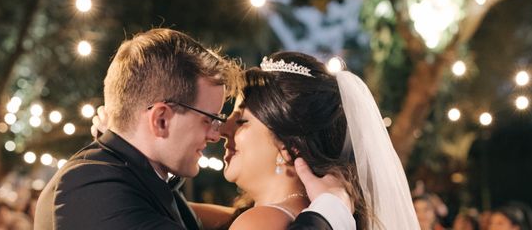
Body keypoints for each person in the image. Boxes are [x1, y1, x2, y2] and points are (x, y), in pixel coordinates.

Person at [34, 29, 349, 229]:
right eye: (208, 118)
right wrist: (328, 214)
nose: (216, 132)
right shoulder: (91, 189)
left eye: (235, 120)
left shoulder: (123, 175)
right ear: (160, 120)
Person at [190, 52, 418, 229]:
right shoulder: (298, 213)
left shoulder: (259, 222)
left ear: (289, 147)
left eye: (242, 122)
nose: (223, 129)